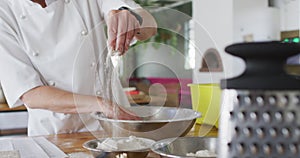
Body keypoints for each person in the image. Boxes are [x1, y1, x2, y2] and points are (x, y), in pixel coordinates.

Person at [0, 0, 157, 136]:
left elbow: (150, 26)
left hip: (114, 126)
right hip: (56, 134)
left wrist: (129, 16)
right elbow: (30, 94)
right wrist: (103, 105)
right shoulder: (4, 12)